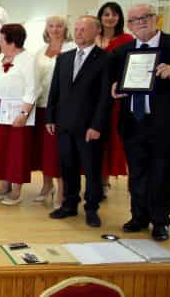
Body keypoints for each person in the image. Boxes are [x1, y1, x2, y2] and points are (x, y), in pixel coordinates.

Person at [111, 4, 170, 241]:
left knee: (164, 174)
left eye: (145, 17)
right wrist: (114, 87)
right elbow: (114, 81)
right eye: (135, 19)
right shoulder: (123, 51)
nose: (140, 22)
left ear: (156, 19)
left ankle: (160, 221)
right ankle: (139, 217)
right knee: (137, 173)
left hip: (166, 125)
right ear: (129, 25)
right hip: (134, 123)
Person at [46, 16, 111, 228]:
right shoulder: (64, 58)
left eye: (84, 29)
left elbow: (105, 97)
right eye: (77, 29)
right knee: (68, 166)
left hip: (89, 126)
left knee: (92, 169)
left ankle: (91, 208)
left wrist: (97, 125)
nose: (79, 32)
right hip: (64, 123)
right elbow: (54, 90)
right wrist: (50, 117)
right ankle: (69, 204)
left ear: (96, 32)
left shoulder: (105, 59)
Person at [0, 24, 38, 205]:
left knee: (16, 152)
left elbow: (33, 89)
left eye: (2, 39)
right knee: (1, 150)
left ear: (12, 42)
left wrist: (24, 113)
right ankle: (4, 187)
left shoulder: (28, 60)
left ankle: (16, 191)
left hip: (16, 114)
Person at [33, 16, 75, 209]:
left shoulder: (72, 49)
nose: (55, 29)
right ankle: (46, 185)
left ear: (65, 29)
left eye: (59, 26)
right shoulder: (40, 51)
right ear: (46, 29)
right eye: (51, 26)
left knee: (60, 151)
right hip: (42, 105)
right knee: (45, 150)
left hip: (61, 107)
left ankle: (63, 191)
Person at [96, 2, 133, 185]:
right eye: (106, 14)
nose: (110, 18)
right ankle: (95, 178)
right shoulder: (93, 37)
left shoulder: (127, 39)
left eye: (114, 14)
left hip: (115, 96)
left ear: (120, 18)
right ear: (100, 17)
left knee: (111, 137)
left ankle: (105, 179)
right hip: (92, 95)